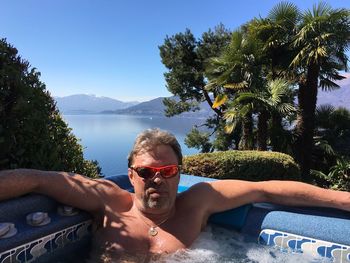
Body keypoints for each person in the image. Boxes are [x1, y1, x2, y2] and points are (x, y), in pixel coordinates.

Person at [0, 128, 349, 262]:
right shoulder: (107, 201)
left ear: (178, 173)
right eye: (147, 172)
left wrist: (343, 199)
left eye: (167, 172)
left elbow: (267, 188)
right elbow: (35, 179)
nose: (157, 180)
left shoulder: (198, 201)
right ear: (132, 175)